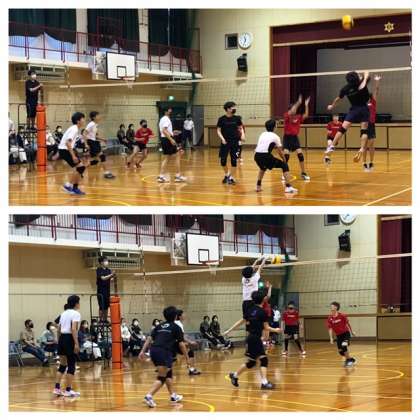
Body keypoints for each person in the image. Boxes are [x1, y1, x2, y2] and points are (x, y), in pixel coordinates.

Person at [228, 290, 282, 389]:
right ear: (263, 300)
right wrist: (276, 330)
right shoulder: (262, 312)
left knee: (252, 362)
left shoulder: (250, 310)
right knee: (264, 360)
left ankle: (235, 376)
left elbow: (241, 321)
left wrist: (230, 330)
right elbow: (266, 327)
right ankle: (264, 383)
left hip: (250, 338)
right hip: (255, 338)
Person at [139, 306, 189, 408]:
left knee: (168, 372)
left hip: (154, 350)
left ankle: (173, 395)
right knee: (162, 377)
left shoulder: (159, 326)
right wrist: (187, 358)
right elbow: (181, 344)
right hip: (164, 351)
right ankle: (149, 396)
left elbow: (149, 339)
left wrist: (142, 351)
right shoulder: (176, 327)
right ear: (176, 316)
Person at [324, 71, 371, 164]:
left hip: (354, 109)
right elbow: (366, 76)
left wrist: (332, 105)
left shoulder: (345, 88)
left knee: (342, 128)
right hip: (364, 109)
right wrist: (365, 75)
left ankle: (332, 146)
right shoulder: (362, 84)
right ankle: (362, 148)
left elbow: (338, 99)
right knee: (364, 130)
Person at [224, 256, 267, 335]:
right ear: (251, 273)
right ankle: (257, 335)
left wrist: (256, 260)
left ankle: (230, 331)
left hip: (245, 303)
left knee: (246, 320)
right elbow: (260, 267)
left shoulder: (243, 279)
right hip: (253, 302)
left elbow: (251, 269)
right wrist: (264, 259)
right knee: (255, 319)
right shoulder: (254, 279)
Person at [254, 119, 298, 194]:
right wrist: (284, 159)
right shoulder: (276, 137)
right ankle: (288, 187)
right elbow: (280, 151)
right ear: (274, 127)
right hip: (265, 156)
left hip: (256, 156)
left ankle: (258, 186)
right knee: (284, 165)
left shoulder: (262, 134)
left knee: (263, 168)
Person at [53, 295, 81, 397]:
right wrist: (76, 343)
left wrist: (59, 341)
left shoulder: (63, 313)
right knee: (71, 365)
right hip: (69, 339)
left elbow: (59, 329)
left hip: (62, 339)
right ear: (76, 303)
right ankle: (68, 390)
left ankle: (57, 388)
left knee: (62, 365)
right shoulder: (76, 313)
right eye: (79, 302)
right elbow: (73, 329)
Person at [58, 112, 87, 195]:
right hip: (65, 150)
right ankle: (69, 186)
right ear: (78, 121)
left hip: (65, 150)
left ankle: (73, 188)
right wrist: (73, 156)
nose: (84, 120)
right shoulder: (74, 129)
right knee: (80, 167)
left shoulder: (75, 128)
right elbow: (67, 143)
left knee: (80, 168)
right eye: (83, 118)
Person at [283, 95, 311, 181]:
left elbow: (306, 115)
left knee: (300, 155)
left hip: (295, 138)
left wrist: (306, 105)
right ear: (290, 110)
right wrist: (298, 102)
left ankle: (303, 173)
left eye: (295, 109)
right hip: (287, 138)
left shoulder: (298, 117)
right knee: (286, 156)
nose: (295, 110)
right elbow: (291, 111)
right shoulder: (286, 115)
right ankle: (284, 173)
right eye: (293, 109)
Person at [216, 101, 244, 185]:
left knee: (234, 160)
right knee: (223, 160)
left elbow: (240, 127)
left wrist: (242, 134)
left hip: (235, 141)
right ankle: (227, 174)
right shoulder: (221, 119)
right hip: (225, 142)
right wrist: (222, 139)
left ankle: (232, 177)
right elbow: (218, 130)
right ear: (228, 109)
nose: (234, 109)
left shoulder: (237, 118)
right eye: (233, 107)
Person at [158, 107, 186, 183]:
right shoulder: (166, 119)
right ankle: (177, 176)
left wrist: (173, 133)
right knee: (177, 155)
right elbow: (164, 130)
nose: (171, 111)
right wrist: (171, 139)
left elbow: (165, 130)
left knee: (167, 158)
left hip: (165, 139)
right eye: (169, 110)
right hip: (167, 140)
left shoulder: (162, 119)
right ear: (165, 111)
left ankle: (161, 176)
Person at [85, 111, 115, 179]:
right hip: (91, 142)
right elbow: (84, 134)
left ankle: (80, 169)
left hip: (94, 142)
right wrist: (86, 144)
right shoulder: (91, 124)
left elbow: (94, 136)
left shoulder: (95, 124)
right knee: (102, 156)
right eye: (98, 116)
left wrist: (102, 139)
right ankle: (106, 173)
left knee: (95, 161)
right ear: (93, 117)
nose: (99, 117)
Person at [327, 301, 356, 367]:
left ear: (336, 307)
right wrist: (331, 338)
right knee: (341, 352)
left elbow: (347, 324)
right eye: (331, 306)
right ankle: (351, 359)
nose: (331, 307)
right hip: (339, 335)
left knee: (344, 345)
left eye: (332, 306)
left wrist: (352, 332)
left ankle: (348, 361)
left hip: (346, 334)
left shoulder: (342, 316)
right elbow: (330, 329)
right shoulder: (329, 318)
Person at [363, 75, 381, 171]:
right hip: (364, 125)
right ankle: (364, 163)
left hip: (372, 124)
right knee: (364, 145)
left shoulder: (373, 101)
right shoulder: (362, 104)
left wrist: (377, 81)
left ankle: (371, 162)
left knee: (371, 144)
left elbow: (376, 90)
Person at [174, 310, 201, 375]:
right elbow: (181, 337)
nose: (185, 315)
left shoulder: (176, 323)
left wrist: (187, 339)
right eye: (183, 314)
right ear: (180, 316)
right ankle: (191, 369)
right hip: (174, 343)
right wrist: (190, 342)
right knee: (190, 353)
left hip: (170, 343)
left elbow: (181, 335)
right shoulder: (178, 324)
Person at [96, 256, 116, 323]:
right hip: (101, 290)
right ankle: (101, 320)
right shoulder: (99, 269)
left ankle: (105, 319)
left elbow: (110, 279)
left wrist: (113, 277)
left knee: (107, 306)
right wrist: (111, 275)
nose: (107, 262)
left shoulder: (108, 270)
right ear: (101, 262)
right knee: (101, 306)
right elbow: (103, 278)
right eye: (105, 260)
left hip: (107, 290)